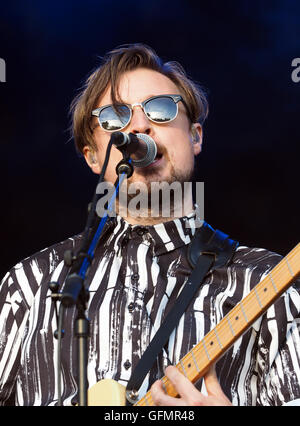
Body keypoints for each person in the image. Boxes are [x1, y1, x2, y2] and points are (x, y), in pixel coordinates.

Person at [0, 43, 299, 406]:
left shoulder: (272, 284)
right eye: (116, 117)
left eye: (160, 110)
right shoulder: (27, 286)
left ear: (195, 137)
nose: (140, 125)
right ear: (93, 156)